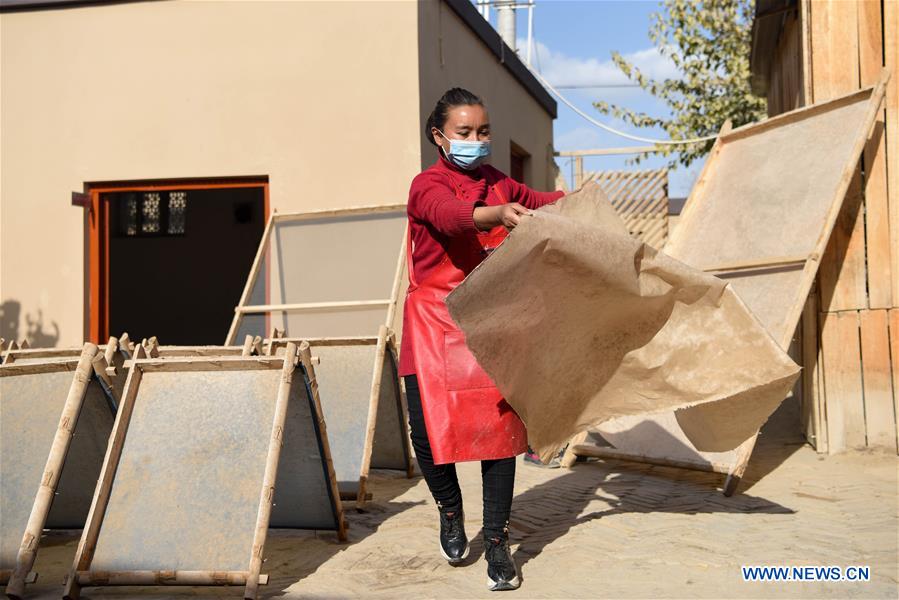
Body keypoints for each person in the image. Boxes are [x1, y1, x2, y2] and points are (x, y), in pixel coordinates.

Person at [399, 87, 565, 591]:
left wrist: (583, 202)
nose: (477, 140)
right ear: (439, 136)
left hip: (490, 322)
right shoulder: (425, 185)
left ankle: (496, 543)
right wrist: (497, 216)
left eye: (483, 132)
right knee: (426, 438)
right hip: (433, 322)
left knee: (500, 440)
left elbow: (547, 203)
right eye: (465, 133)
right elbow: (450, 216)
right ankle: (451, 512)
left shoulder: (499, 182)